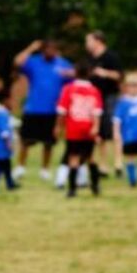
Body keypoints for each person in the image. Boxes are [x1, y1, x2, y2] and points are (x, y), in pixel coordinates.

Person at [13, 39, 73, 181]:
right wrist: (31, 47)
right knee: (26, 141)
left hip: (52, 110)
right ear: (43, 50)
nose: (50, 52)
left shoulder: (62, 64)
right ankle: (21, 167)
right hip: (33, 108)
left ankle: (45, 169)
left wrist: (70, 75)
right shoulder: (34, 62)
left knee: (49, 143)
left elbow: (74, 77)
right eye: (47, 49)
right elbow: (17, 62)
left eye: (53, 49)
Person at [55, 61, 103, 198]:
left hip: (73, 129)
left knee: (73, 158)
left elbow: (62, 111)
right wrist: (96, 127)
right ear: (90, 74)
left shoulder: (68, 89)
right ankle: (95, 185)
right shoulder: (94, 91)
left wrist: (58, 127)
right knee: (91, 158)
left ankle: (72, 189)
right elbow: (97, 113)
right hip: (89, 129)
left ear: (75, 73)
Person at [84, 30, 123, 177]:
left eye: (88, 41)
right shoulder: (89, 59)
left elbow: (119, 75)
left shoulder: (111, 57)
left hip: (110, 97)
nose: (86, 44)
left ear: (98, 41)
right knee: (99, 133)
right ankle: (103, 165)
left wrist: (104, 73)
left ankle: (118, 163)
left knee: (114, 130)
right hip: (95, 98)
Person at [113, 72, 137, 188]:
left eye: (136, 86)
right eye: (131, 86)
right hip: (128, 135)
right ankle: (132, 180)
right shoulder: (123, 102)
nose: (134, 89)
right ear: (127, 87)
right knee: (130, 157)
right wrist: (116, 132)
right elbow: (117, 119)